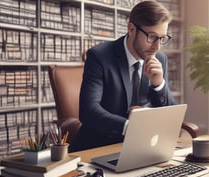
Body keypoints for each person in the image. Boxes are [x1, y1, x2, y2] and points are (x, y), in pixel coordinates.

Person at [69, 0, 177, 152]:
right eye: (152, 37)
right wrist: (130, 127)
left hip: (141, 149)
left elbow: (171, 116)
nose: (157, 46)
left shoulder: (160, 59)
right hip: (98, 147)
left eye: (162, 38)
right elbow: (88, 111)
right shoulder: (99, 56)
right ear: (131, 29)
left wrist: (158, 84)